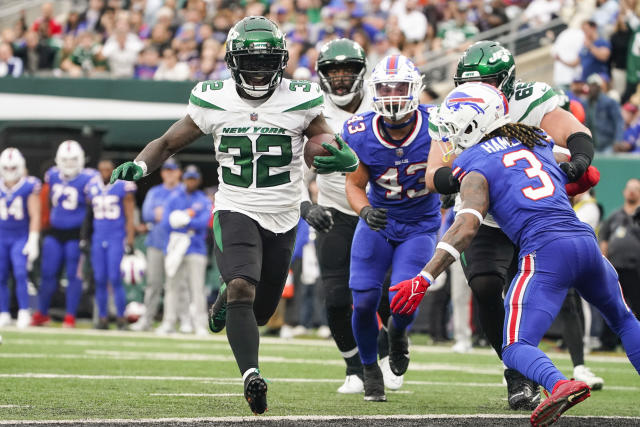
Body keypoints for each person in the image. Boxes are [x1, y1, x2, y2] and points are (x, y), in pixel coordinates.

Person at [109, 16, 358, 414]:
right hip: (235, 206)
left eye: (267, 62)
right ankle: (251, 376)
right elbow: (169, 141)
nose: (259, 72)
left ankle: (226, 297)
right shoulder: (213, 98)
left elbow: (323, 138)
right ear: (231, 62)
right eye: (251, 62)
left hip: (283, 213)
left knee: (258, 310)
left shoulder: (300, 97)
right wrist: (140, 166)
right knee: (244, 285)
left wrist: (342, 155)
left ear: (281, 61)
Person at [391, 82, 640, 427]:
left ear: (472, 125)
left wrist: (425, 276)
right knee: (625, 320)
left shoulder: (474, 161)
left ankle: (559, 384)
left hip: (546, 250)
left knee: (514, 346)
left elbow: (465, 226)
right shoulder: (534, 140)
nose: (448, 136)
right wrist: (578, 172)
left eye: (452, 127)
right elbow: (579, 170)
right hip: (585, 241)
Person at [425, 41, 601, 410]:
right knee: (486, 286)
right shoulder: (454, 108)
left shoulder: (530, 99)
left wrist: (579, 162)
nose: (478, 90)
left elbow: (575, 133)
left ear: (505, 82)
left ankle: (560, 366)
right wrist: (475, 174)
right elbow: (434, 173)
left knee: (542, 295)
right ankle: (517, 375)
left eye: (488, 82)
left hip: (529, 215)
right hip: (483, 213)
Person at [301, 38, 400, 394]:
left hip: (378, 211)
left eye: (348, 70)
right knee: (337, 297)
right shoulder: (312, 109)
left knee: (388, 293)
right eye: (333, 70)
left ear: (362, 73)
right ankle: (354, 367)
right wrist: (305, 205)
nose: (341, 78)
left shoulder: (384, 102)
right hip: (334, 212)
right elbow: (296, 164)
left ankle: (390, 347)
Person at [344, 55, 441, 402]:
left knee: (403, 300)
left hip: (420, 224)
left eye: (400, 87)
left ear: (415, 89)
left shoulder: (438, 124)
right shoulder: (359, 131)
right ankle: (370, 368)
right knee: (365, 300)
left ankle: (398, 334)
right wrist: (365, 210)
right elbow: (354, 184)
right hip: (380, 222)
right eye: (386, 88)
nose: (392, 95)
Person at [32, 141, 97, 328]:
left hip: (76, 234)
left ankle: (70, 316)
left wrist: (88, 234)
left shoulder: (89, 177)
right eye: (65, 160)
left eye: (73, 160)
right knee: (47, 273)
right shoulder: (51, 175)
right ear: (58, 160)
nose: (69, 164)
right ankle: (42, 312)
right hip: (54, 231)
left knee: (73, 276)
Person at [157, 165, 211, 336]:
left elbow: (204, 223)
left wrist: (184, 220)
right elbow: (166, 223)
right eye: (188, 178)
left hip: (195, 246)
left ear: (198, 180)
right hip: (176, 245)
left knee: (197, 288)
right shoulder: (174, 198)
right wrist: (186, 220)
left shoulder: (203, 199)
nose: (191, 182)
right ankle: (168, 322)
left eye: (194, 179)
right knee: (172, 286)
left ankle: (200, 324)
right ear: (184, 179)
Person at [130, 158, 181, 332]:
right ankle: (147, 320)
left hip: (176, 245)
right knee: (153, 284)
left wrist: (164, 213)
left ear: (178, 172)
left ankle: (172, 322)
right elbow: (147, 214)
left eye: (172, 170)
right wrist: (168, 214)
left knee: (176, 285)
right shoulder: (155, 191)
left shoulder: (183, 191)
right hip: (156, 243)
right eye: (166, 170)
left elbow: (183, 214)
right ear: (162, 172)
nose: (169, 173)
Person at [84, 159, 136, 330]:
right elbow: (89, 215)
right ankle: (103, 318)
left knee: (114, 278)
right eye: (102, 169)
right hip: (99, 237)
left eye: (108, 169)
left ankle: (121, 318)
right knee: (99, 279)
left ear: (112, 169)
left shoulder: (123, 186)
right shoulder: (92, 186)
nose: (105, 172)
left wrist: (130, 238)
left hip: (116, 236)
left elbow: (130, 215)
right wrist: (85, 237)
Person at [0, 148, 41, 328]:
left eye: (13, 167)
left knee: (20, 273)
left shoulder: (29, 185)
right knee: (0, 276)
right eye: (6, 168)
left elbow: (35, 215)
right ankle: (3, 312)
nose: (9, 171)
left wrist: (33, 239)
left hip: (20, 236)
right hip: (1, 236)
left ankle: (24, 311)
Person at [599, 178, 640, 319]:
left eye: (636, 189)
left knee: (637, 303)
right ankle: (609, 338)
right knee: (613, 302)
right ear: (624, 192)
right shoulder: (615, 216)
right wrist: (604, 263)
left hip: (636, 269)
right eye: (629, 188)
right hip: (615, 268)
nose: (632, 192)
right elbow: (604, 238)